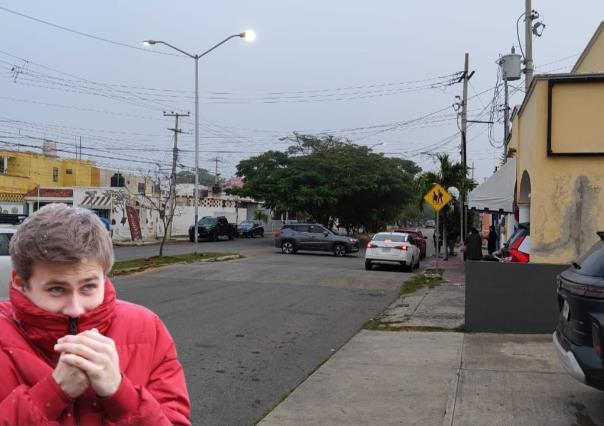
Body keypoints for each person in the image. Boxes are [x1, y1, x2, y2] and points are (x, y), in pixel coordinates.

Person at [0, 204, 190, 425]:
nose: (75, 308)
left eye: (88, 287)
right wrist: (51, 395)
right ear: (20, 283)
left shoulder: (148, 329)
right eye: (56, 289)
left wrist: (120, 395)